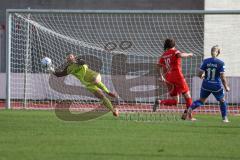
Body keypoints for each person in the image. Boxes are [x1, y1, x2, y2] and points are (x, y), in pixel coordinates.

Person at [48, 53, 119, 117]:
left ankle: (108, 92)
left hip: (94, 75)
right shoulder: (68, 68)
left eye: (71, 56)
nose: (70, 57)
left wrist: (75, 61)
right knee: (101, 96)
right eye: (68, 57)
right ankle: (114, 111)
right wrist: (52, 70)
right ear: (66, 59)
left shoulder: (79, 60)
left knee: (95, 80)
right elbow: (59, 74)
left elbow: (82, 62)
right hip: (87, 83)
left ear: (74, 56)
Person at [182, 45, 230, 122]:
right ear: (218, 53)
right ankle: (225, 118)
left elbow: (199, 74)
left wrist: (203, 76)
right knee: (222, 101)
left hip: (206, 85)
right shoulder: (221, 63)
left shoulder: (205, 61)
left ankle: (189, 109)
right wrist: (226, 87)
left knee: (201, 101)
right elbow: (222, 77)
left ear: (211, 52)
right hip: (216, 86)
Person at [153, 38, 195, 120]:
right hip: (178, 77)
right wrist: (189, 54)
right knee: (188, 96)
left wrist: (161, 76)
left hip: (168, 78)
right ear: (174, 45)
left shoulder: (164, 55)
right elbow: (181, 55)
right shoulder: (175, 51)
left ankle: (159, 102)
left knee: (175, 101)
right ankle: (189, 116)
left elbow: (158, 66)